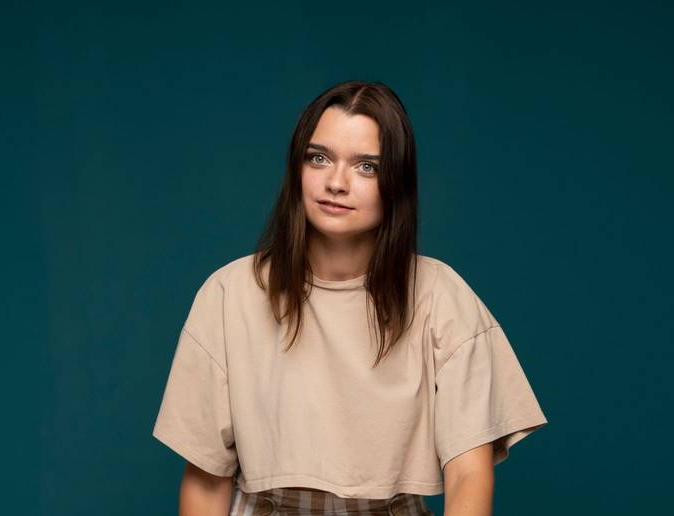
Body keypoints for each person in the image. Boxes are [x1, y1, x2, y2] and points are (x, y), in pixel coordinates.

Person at [152, 80, 548, 516]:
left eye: (367, 167)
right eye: (319, 158)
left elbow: (468, 474)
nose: (336, 183)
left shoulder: (441, 296)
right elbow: (207, 478)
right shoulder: (229, 294)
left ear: (396, 182)